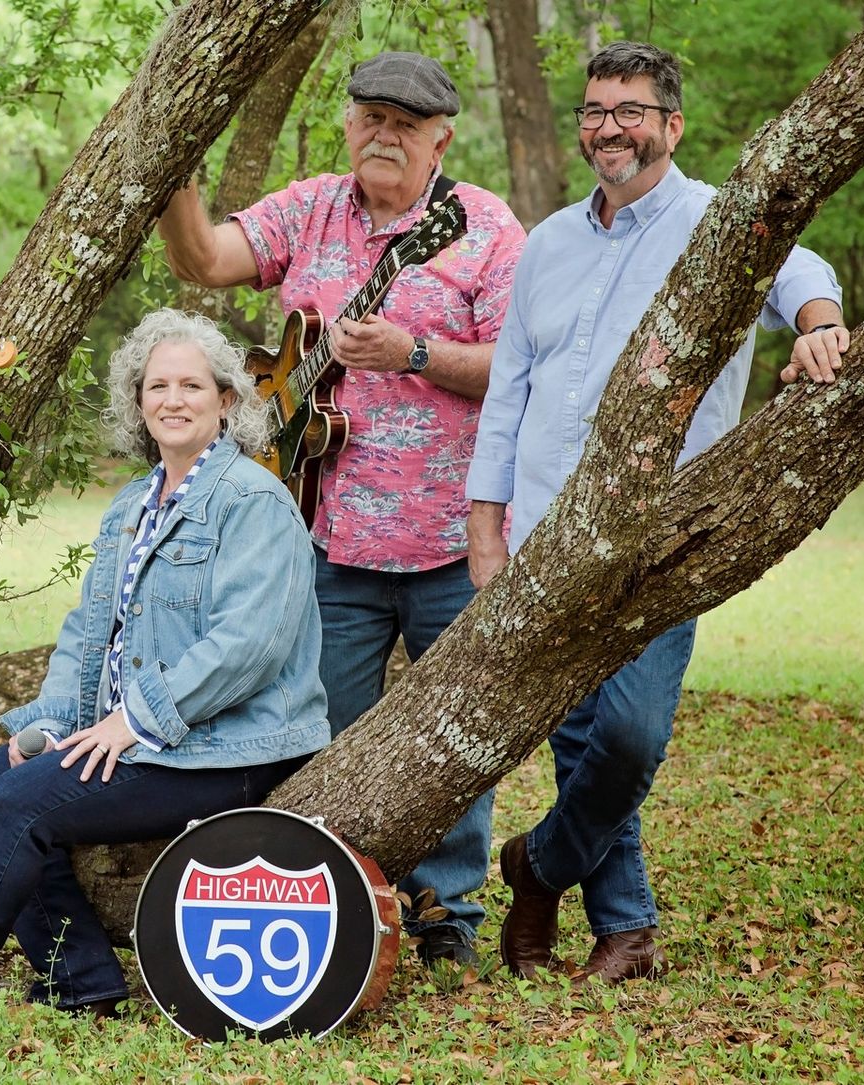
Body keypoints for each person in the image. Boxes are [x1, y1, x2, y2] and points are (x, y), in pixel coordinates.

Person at [0, 309, 331, 1022]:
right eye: (158, 386)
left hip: (227, 748)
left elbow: (250, 646)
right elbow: (90, 632)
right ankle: (81, 975)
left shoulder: (253, 500)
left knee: (17, 802)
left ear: (226, 401)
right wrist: (52, 724)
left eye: (192, 386)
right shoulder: (132, 506)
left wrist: (133, 721)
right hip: (148, 739)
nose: (174, 400)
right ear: (138, 403)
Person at [467, 41, 849, 983]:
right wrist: (486, 527)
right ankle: (626, 931)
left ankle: (536, 865)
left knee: (630, 734)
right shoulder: (547, 243)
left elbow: (802, 272)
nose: (610, 128)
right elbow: (508, 388)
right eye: (596, 111)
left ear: (671, 126)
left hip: (661, 536)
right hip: (544, 533)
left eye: (630, 111)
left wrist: (821, 326)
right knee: (576, 740)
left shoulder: (718, 221)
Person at [155, 51, 527, 967]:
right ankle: (341, 900)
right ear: (350, 124)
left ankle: (447, 913)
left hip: (454, 539)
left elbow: (519, 366)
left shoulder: (483, 228)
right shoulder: (310, 207)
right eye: (371, 117)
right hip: (321, 539)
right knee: (323, 739)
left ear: (442, 140)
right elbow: (204, 258)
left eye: (407, 123)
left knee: (451, 734)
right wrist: (172, 168)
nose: (384, 135)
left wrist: (413, 352)